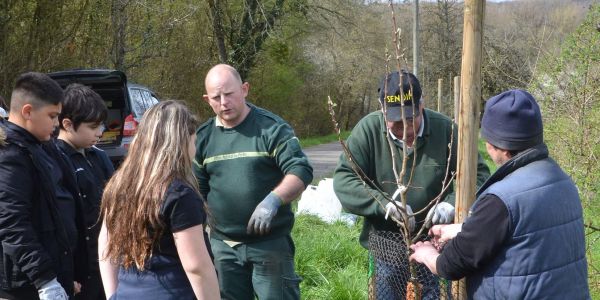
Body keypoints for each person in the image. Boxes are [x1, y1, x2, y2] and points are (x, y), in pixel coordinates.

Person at [410, 89, 591, 299]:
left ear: (497, 146)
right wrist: (462, 229)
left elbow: (451, 264)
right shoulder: (561, 181)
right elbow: (525, 230)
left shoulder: (500, 199)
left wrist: (427, 254)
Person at [333, 70, 490, 299]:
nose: (404, 128)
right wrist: (384, 204)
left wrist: (451, 204)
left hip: (435, 246)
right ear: (382, 110)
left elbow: (480, 176)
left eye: (410, 119)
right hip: (387, 247)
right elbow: (345, 180)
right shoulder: (367, 131)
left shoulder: (447, 131)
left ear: (422, 105)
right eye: (395, 121)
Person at [194, 64, 313, 300]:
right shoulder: (202, 138)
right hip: (223, 248)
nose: (224, 102)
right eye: (216, 97)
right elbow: (198, 189)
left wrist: (273, 200)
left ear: (245, 89)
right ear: (207, 100)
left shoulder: (271, 128)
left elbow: (300, 169)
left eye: (229, 94)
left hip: (270, 245)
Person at [98, 100, 219, 300]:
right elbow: (196, 266)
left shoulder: (119, 185)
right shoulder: (179, 194)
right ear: (181, 142)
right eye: (193, 142)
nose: (194, 150)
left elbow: (106, 243)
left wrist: (113, 295)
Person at [0, 72, 88, 300]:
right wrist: (45, 279)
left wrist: (70, 272)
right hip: (28, 285)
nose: (57, 123)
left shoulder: (43, 145)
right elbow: (13, 225)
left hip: (56, 272)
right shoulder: (10, 156)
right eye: (52, 116)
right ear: (27, 111)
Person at [57, 83, 115, 300]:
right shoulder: (54, 161)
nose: (100, 133)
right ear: (68, 124)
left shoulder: (98, 156)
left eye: (101, 126)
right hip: (77, 270)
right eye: (93, 127)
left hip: (105, 260)